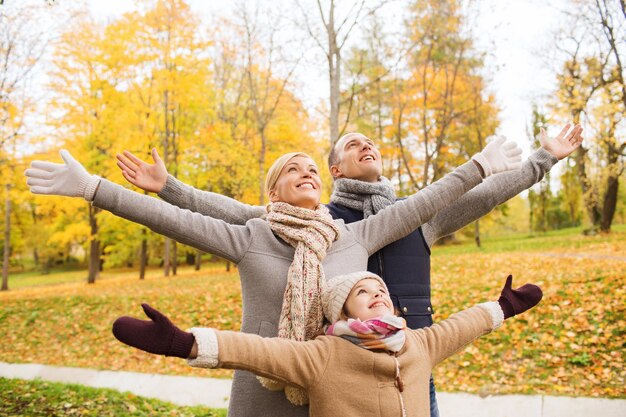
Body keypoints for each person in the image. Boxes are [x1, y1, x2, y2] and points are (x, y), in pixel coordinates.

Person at [115, 124, 583, 416]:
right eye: (352, 144)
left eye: (371, 142)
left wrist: (543, 160)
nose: (367, 146)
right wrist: (170, 188)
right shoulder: (320, 224)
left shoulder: (418, 214)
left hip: (410, 365)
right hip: (331, 373)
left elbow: (484, 194)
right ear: (335, 169)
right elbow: (235, 213)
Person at [25, 142, 519, 417]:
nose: (306, 174)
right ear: (273, 190)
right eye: (293, 170)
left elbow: (425, 202)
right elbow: (168, 220)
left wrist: (478, 167)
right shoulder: (251, 236)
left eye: (312, 170)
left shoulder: (355, 237)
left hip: (342, 396)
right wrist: (92, 187)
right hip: (264, 392)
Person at [111, 271, 543, 417]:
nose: (377, 293)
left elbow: (463, 325)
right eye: (363, 292)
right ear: (344, 314)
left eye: (380, 289)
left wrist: (503, 306)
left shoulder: (418, 343)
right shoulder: (324, 354)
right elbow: (255, 351)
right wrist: (182, 342)